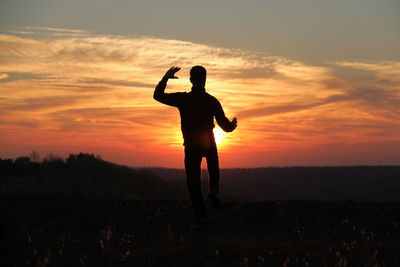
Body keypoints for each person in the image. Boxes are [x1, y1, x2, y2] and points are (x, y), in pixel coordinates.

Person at [153, 66, 237, 225]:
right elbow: (225, 127)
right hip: (209, 143)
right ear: (205, 79)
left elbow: (157, 96)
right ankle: (214, 191)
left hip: (191, 145)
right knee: (213, 168)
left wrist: (165, 78)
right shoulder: (211, 100)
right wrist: (232, 125)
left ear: (191, 79)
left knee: (193, 182)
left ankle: (201, 215)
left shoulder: (184, 99)